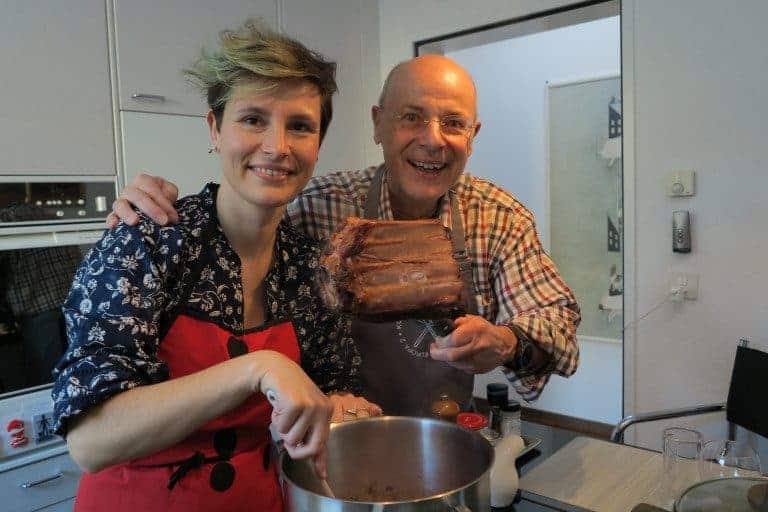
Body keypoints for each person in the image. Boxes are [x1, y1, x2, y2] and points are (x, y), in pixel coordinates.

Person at [109, 54, 581, 417]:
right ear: (378, 123)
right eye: (411, 117)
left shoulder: (499, 218)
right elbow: (242, 211)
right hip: (330, 439)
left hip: (441, 434)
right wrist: (149, 207)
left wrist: (506, 341)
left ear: (472, 136)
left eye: (453, 123)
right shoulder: (317, 206)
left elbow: (558, 326)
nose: (433, 139)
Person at [52, 21, 379, 512]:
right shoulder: (148, 240)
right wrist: (259, 368)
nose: (277, 146)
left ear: (318, 143)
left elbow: (332, 394)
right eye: (253, 119)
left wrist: (344, 412)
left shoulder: (308, 268)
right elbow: (91, 440)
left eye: (300, 126)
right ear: (214, 129)